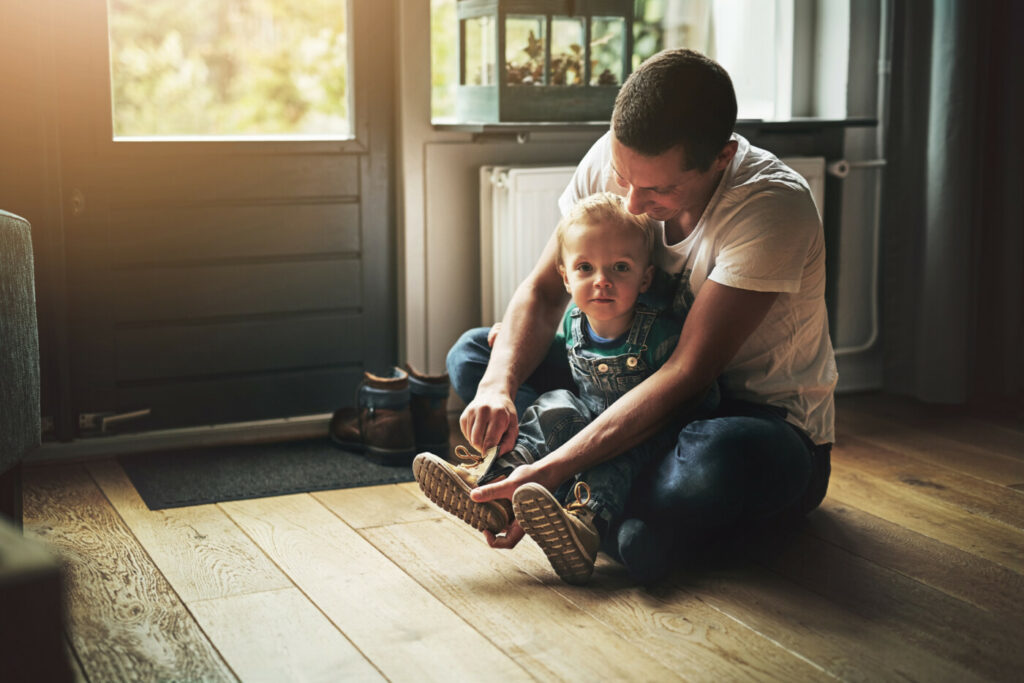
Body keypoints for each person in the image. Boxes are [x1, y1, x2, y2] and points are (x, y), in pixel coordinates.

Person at [448, 48, 837, 583]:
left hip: (743, 419)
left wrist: (557, 465)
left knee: (714, 461)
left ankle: (566, 492)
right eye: (622, 175)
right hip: (616, 382)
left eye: (658, 188)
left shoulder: (772, 206)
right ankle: (614, 517)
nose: (630, 201)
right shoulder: (619, 158)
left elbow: (686, 374)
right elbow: (544, 291)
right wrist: (497, 386)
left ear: (721, 157)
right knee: (475, 354)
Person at [414, 192, 717, 584]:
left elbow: (693, 392)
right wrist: (510, 337)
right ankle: (495, 483)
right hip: (586, 414)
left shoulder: (660, 331)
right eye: (586, 268)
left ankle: (583, 523)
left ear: (645, 278)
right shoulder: (575, 318)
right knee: (554, 404)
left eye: (620, 268)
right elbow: (564, 351)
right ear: (565, 276)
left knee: (614, 461)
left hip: (640, 432)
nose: (602, 281)